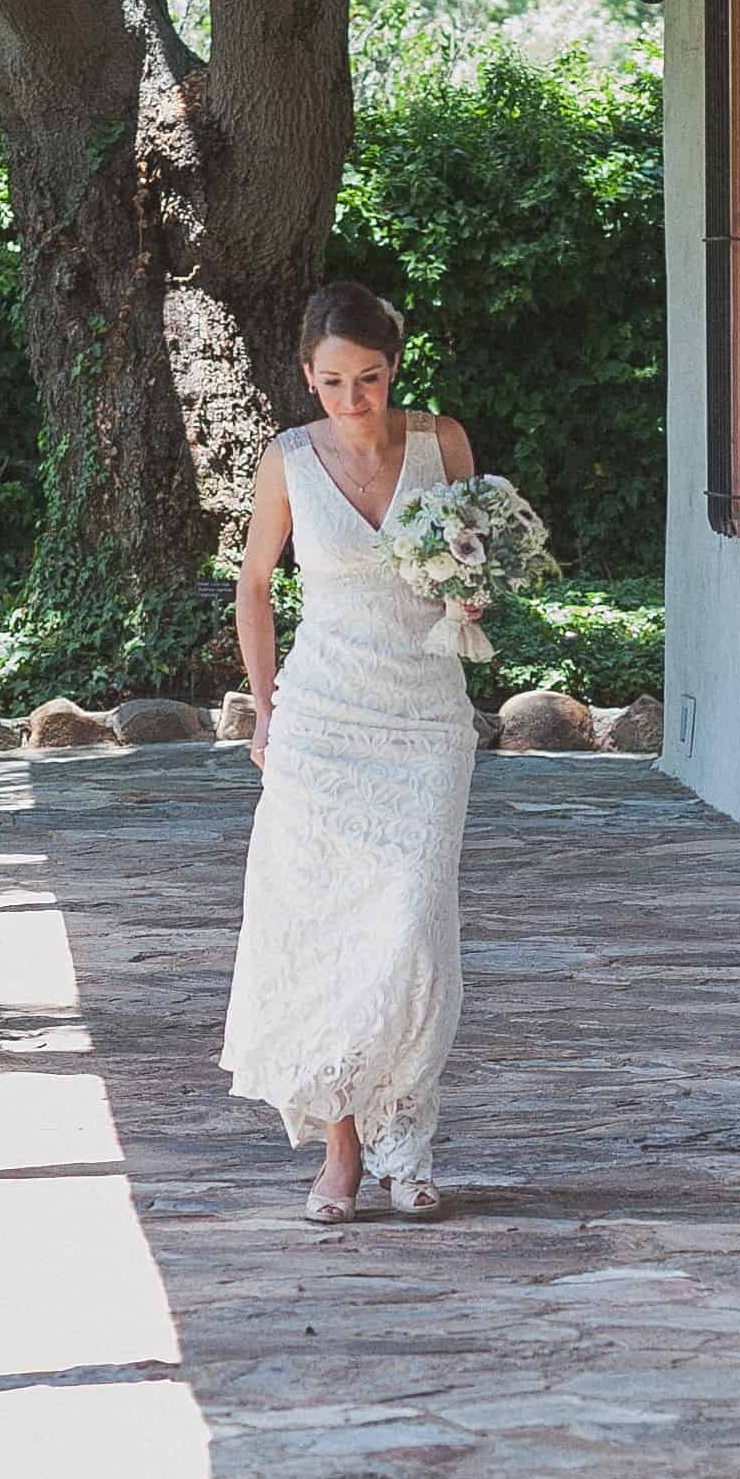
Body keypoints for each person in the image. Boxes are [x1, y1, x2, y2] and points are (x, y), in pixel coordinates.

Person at [220, 279, 481, 1225]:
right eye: (332, 382)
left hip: (423, 720)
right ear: (307, 375)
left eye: (368, 378)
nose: (352, 400)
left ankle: (403, 1134)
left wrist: (471, 598)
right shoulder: (288, 459)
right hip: (322, 722)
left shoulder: (441, 443)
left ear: (393, 367)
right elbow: (254, 586)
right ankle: (341, 1147)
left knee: (408, 929)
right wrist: (264, 708)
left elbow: (472, 558)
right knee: (326, 933)